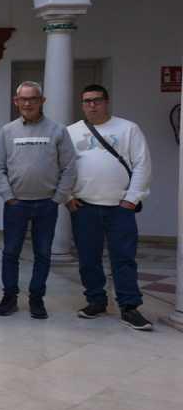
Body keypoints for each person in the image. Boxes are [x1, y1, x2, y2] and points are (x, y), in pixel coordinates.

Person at [67, 84, 153, 330]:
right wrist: (68, 197)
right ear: (82, 104)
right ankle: (95, 300)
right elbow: (64, 167)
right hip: (85, 207)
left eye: (96, 100)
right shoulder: (71, 132)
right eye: (87, 101)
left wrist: (131, 199)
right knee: (88, 258)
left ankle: (129, 306)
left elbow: (142, 165)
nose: (92, 105)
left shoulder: (128, 129)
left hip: (120, 208)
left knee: (124, 258)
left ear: (106, 102)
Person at [0, 82, 77, 320]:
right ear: (15, 101)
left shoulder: (58, 130)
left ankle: (36, 298)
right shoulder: (7, 131)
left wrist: (58, 198)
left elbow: (69, 167)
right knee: (10, 252)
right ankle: (9, 297)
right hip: (16, 204)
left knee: (43, 253)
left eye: (33, 99)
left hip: (46, 204)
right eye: (23, 99)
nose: (27, 103)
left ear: (42, 101)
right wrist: (8, 197)